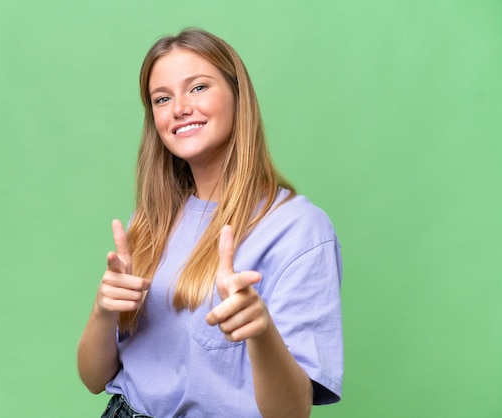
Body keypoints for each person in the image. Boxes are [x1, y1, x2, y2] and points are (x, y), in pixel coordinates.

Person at [77, 28, 343, 418]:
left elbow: (291, 413)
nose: (179, 108)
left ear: (238, 96)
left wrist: (261, 331)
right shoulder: (150, 220)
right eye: (162, 98)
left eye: (198, 88)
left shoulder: (300, 229)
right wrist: (103, 310)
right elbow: (93, 379)